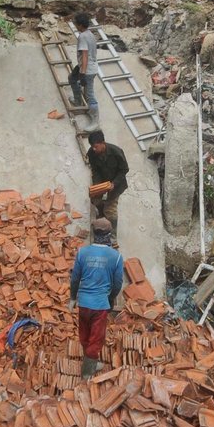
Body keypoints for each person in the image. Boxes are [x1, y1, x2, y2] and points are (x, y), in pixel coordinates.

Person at [69, 218, 123, 379]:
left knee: (84, 333)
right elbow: (117, 283)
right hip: (100, 305)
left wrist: (73, 298)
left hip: (84, 303)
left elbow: (75, 278)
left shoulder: (82, 252)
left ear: (94, 233)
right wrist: (111, 299)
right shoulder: (116, 257)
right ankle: (87, 373)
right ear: (109, 235)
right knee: (96, 338)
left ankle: (90, 361)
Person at [87, 130, 129, 246]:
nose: (94, 149)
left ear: (103, 143)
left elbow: (124, 170)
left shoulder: (116, 152)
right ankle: (100, 219)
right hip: (101, 182)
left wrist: (113, 184)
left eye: (96, 146)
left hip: (116, 185)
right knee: (96, 201)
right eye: (92, 147)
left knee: (110, 211)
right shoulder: (91, 153)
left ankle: (112, 235)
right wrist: (97, 185)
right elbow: (95, 170)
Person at [69, 12, 100, 133]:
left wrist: (82, 73)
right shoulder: (90, 34)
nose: (75, 25)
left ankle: (95, 122)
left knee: (90, 95)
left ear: (80, 25)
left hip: (87, 69)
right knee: (72, 78)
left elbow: (85, 55)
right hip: (87, 66)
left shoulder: (82, 37)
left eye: (76, 24)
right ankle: (77, 101)